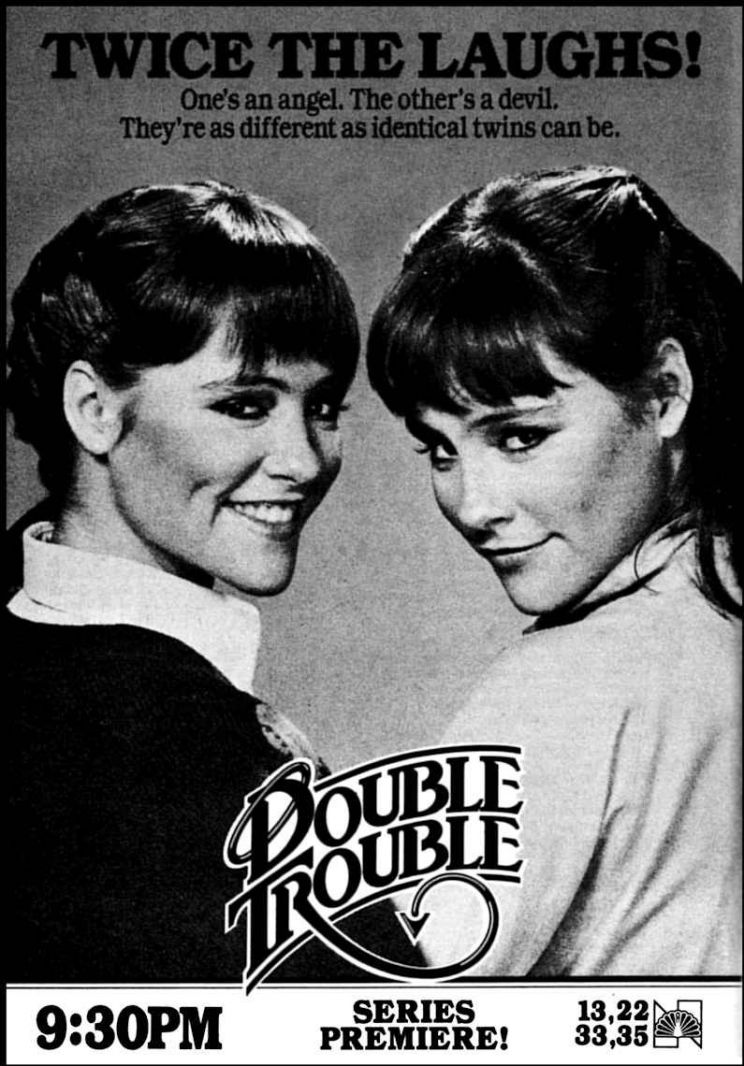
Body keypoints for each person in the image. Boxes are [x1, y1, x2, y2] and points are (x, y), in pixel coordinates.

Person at [6, 179, 418, 982]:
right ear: (93, 409)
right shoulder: (184, 754)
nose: (304, 461)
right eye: (245, 405)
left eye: (324, 407)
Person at [367, 165, 741, 976]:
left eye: (519, 436)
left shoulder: (567, 684)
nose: (474, 505)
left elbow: (394, 1019)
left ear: (665, 391)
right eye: (439, 449)